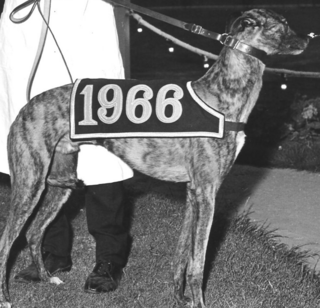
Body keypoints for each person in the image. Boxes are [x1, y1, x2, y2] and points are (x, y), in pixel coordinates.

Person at [0, 0, 133, 293]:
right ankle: (52, 252)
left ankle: (109, 258)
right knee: (33, 147)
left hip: (84, 22)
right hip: (28, 28)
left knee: (101, 148)